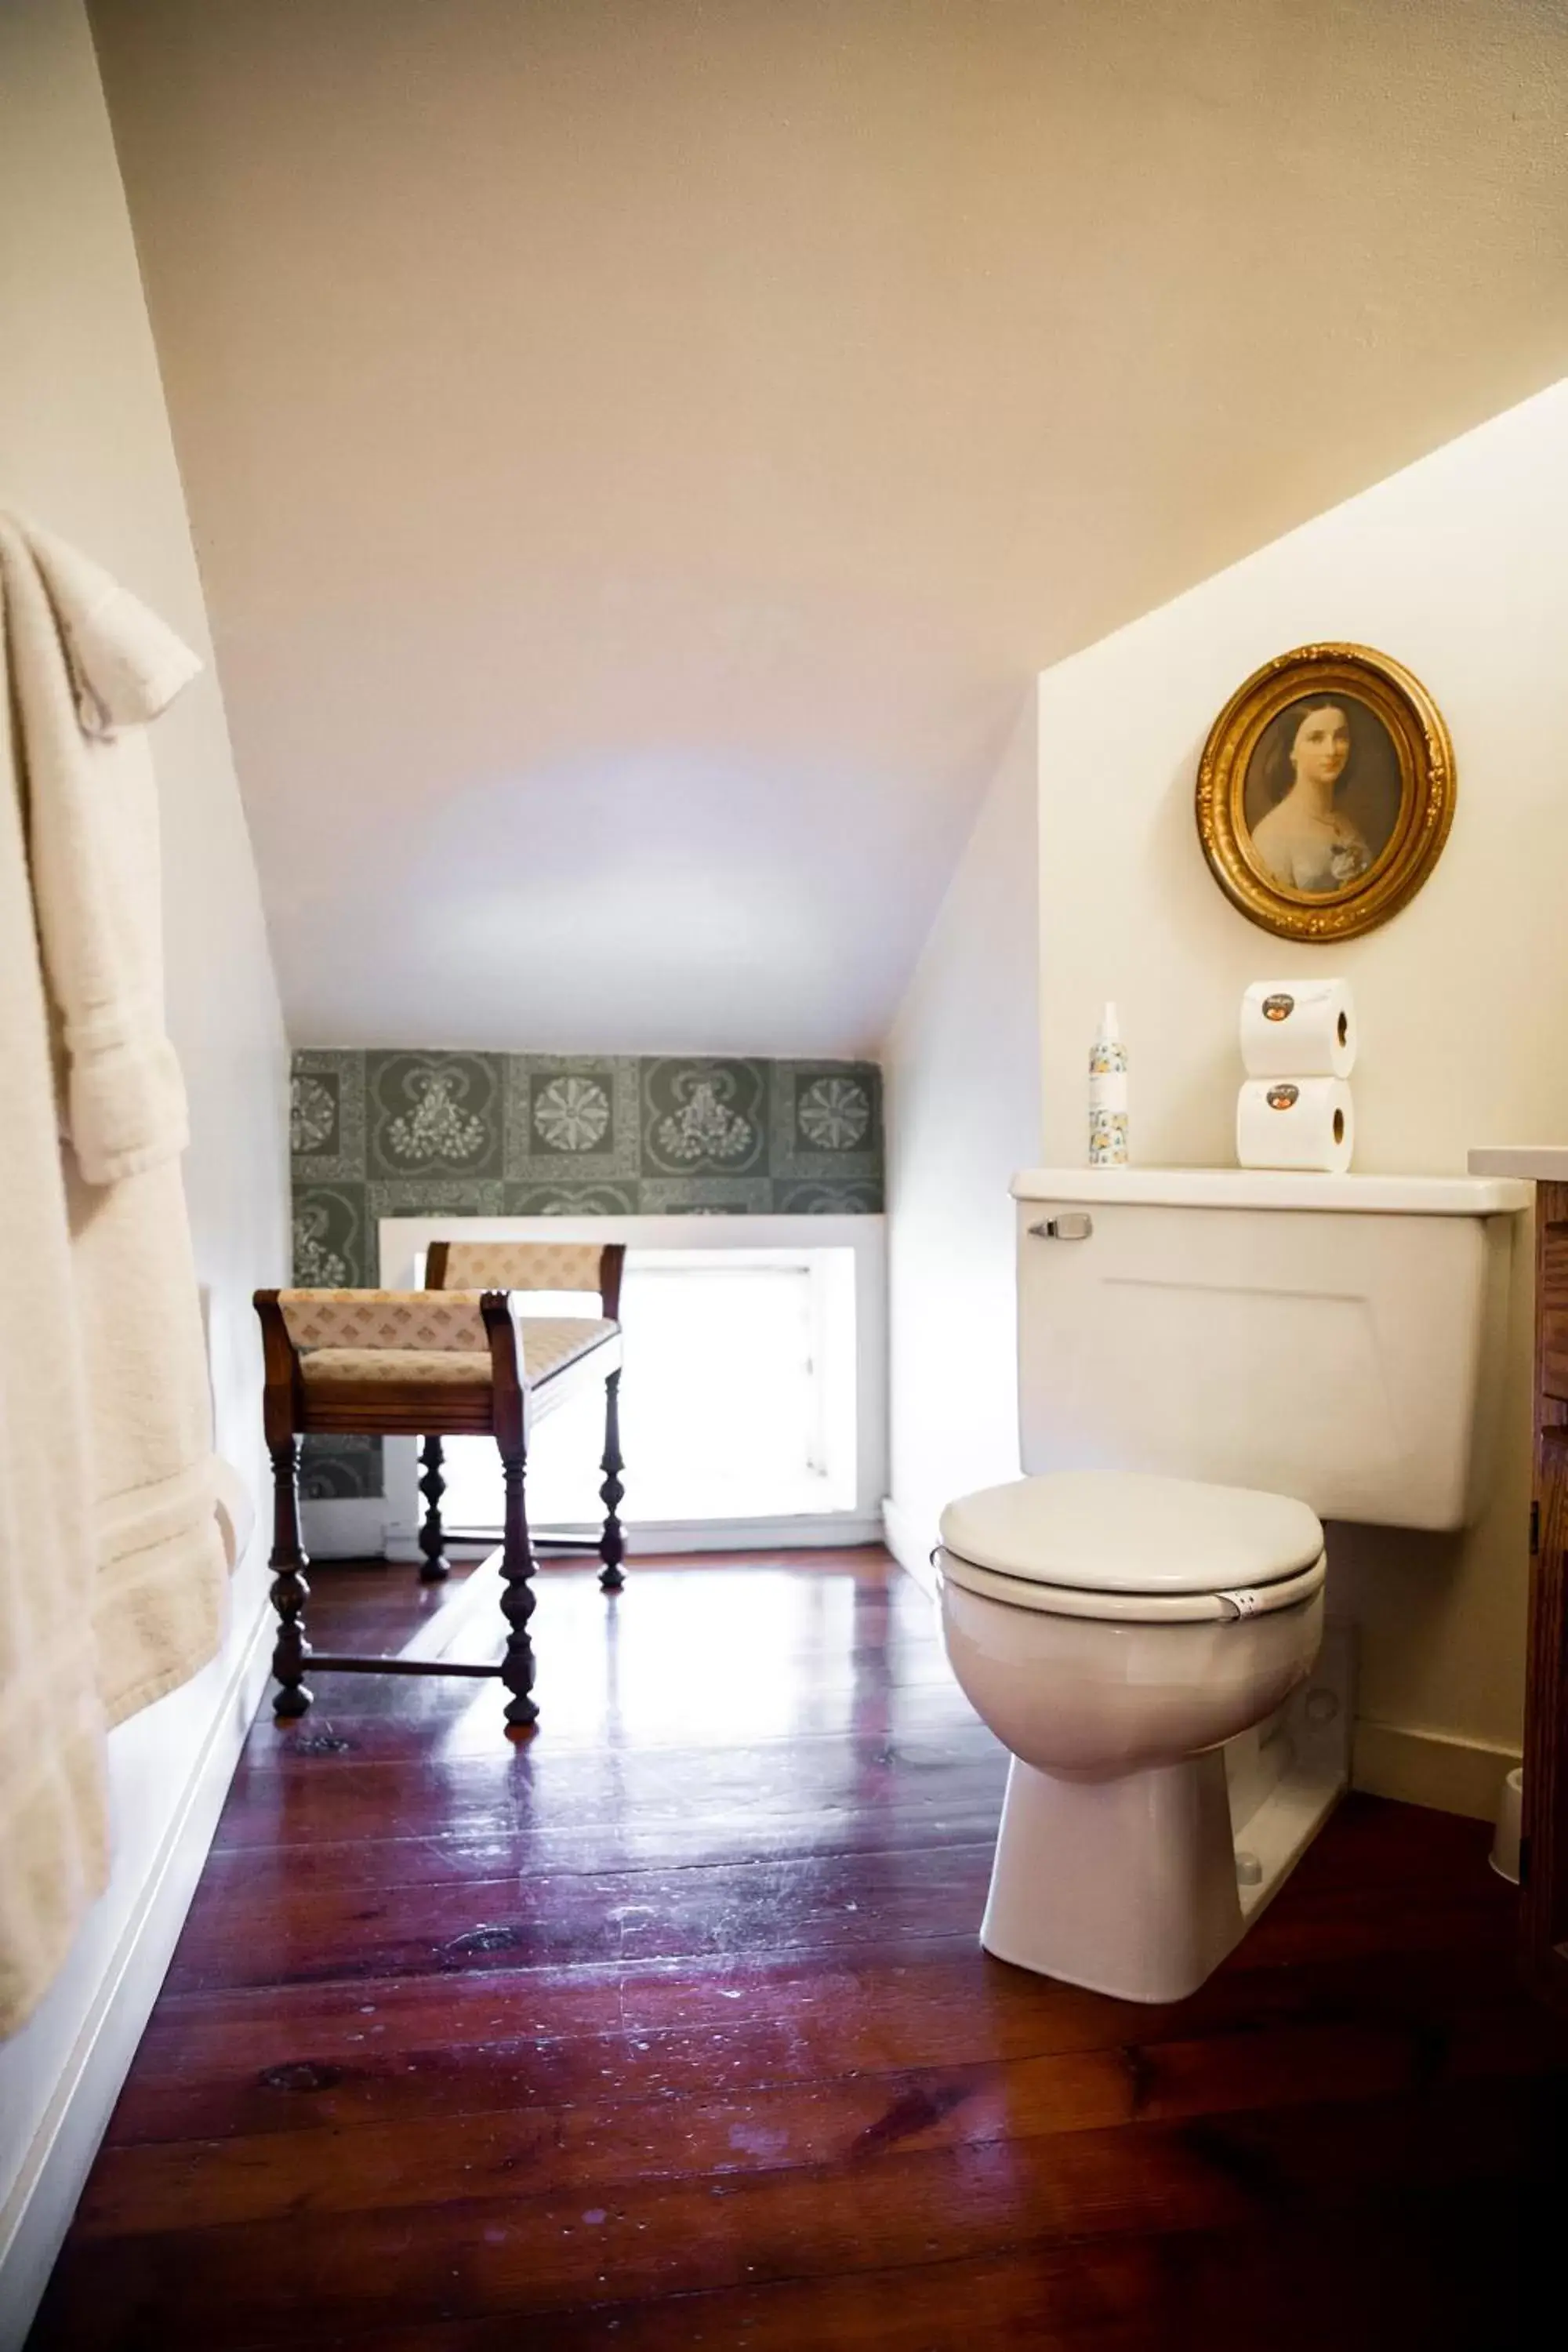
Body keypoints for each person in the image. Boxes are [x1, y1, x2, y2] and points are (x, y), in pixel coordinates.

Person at [1248, 699, 1371, 892]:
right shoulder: (1271, 836)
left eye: (1341, 737)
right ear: (1292, 751)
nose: (1331, 751)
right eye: (1316, 739)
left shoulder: (1346, 824)